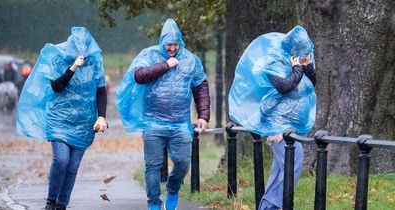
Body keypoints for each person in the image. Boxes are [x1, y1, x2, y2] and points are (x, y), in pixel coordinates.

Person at [116, 18, 210, 210]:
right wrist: (167, 64)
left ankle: (173, 190)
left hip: (180, 124)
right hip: (153, 123)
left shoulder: (191, 60)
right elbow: (139, 75)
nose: (172, 48)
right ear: (162, 43)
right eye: (169, 44)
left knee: (183, 163)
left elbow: (201, 87)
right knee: (153, 166)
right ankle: (154, 204)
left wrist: (203, 116)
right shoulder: (148, 55)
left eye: (176, 45)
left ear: (180, 43)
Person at [16, 27, 108, 210]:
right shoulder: (58, 57)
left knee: (73, 167)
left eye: (86, 48)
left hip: (83, 122)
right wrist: (73, 67)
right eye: (78, 47)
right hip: (58, 118)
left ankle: (62, 205)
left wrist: (102, 117)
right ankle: (51, 201)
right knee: (61, 159)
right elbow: (56, 86)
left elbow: (100, 91)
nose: (83, 51)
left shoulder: (95, 61)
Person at [228, 25, 316, 210]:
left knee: (281, 168)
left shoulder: (299, 62)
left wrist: (306, 68)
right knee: (294, 161)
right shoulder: (274, 62)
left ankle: (269, 206)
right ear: (293, 51)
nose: (305, 56)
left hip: (292, 125)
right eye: (302, 53)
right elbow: (284, 86)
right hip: (277, 125)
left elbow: (310, 84)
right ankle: (274, 205)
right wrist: (298, 69)